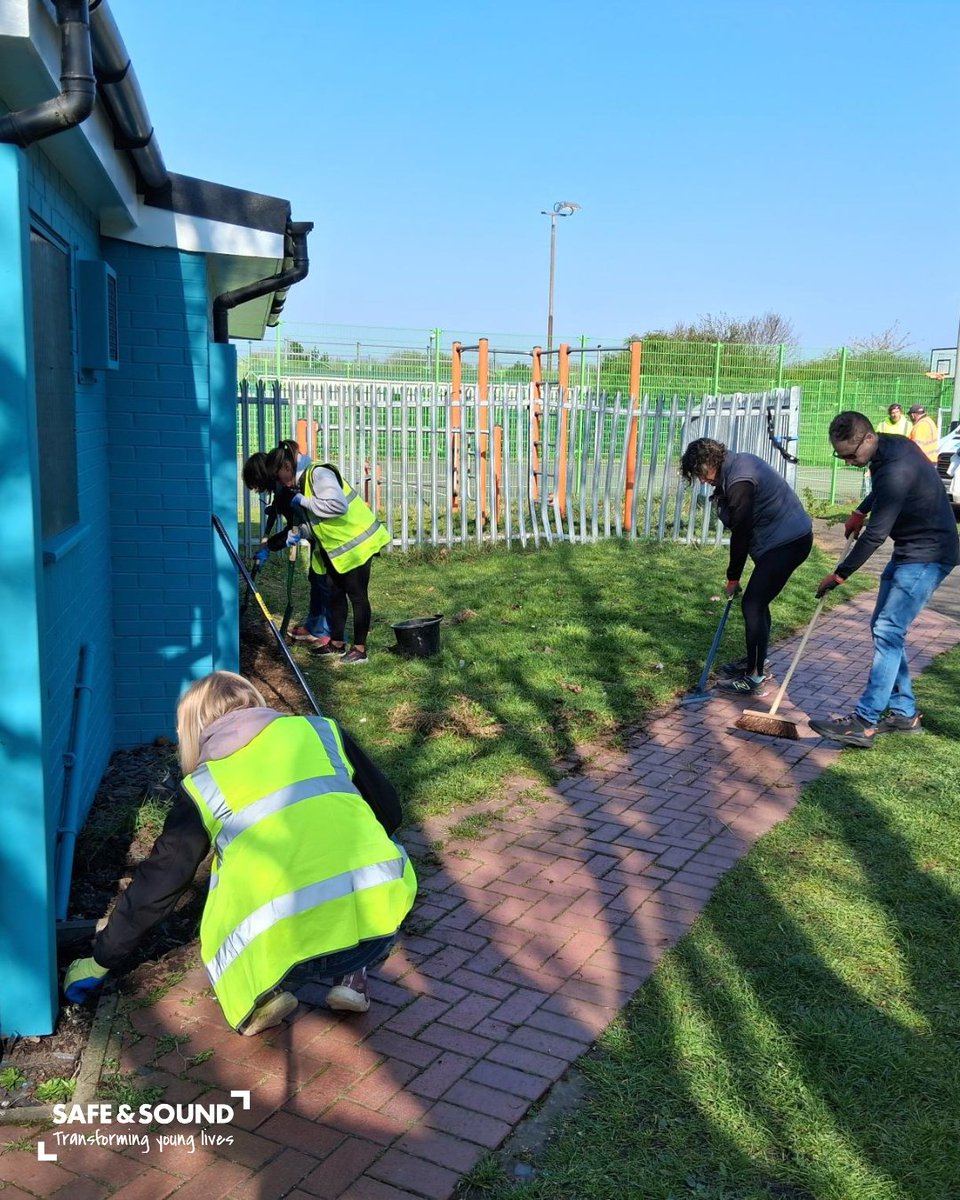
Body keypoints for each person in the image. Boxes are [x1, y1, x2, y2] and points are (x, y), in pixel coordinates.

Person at [64, 671, 417, 1034]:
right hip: (378, 920)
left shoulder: (203, 785)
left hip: (288, 953)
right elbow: (388, 809)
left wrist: (100, 959)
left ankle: (261, 997)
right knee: (356, 853)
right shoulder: (322, 730)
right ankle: (352, 977)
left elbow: (159, 884)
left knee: (226, 886)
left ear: (193, 727)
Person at [809, 411, 959, 748]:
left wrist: (840, 574)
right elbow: (883, 491)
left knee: (888, 630)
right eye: (841, 456)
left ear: (868, 438)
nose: (848, 462)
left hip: (929, 555)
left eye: (851, 455)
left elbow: (876, 535)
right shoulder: (890, 447)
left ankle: (864, 721)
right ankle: (904, 713)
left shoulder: (896, 467)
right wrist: (860, 510)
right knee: (885, 628)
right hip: (911, 550)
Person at [680, 438, 813, 696]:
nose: (702, 480)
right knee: (758, 602)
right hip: (782, 539)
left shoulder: (740, 479)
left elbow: (741, 531)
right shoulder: (735, 466)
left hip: (788, 542)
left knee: (752, 604)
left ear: (710, 461)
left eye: (701, 473)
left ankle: (754, 677)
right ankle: (756, 662)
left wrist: (733, 577)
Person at [250, 445, 389, 666]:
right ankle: (337, 643)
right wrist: (287, 537)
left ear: (286, 466)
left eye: (278, 476)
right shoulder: (299, 483)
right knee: (335, 593)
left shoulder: (319, 474)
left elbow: (337, 506)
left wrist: (302, 501)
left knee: (357, 595)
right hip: (337, 547)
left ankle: (360, 650)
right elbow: (312, 522)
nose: (279, 483)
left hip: (358, 541)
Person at [242, 440, 332, 647]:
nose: (257, 491)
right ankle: (314, 626)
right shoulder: (279, 489)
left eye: (256, 486)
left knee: (325, 583)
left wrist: (269, 546)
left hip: (326, 536)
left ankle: (327, 631)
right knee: (316, 579)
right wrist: (275, 508)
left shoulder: (285, 490)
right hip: (318, 537)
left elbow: (294, 528)